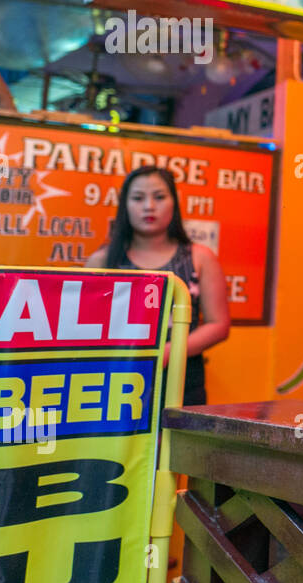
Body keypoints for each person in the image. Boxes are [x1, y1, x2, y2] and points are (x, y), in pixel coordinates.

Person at [86, 166, 230, 405]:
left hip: (182, 378)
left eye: (159, 197)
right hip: (117, 379)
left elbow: (219, 325)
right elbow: (86, 329)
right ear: (125, 206)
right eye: (138, 198)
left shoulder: (199, 257)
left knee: (175, 443)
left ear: (174, 202)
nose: (149, 206)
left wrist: (166, 353)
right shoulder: (102, 261)